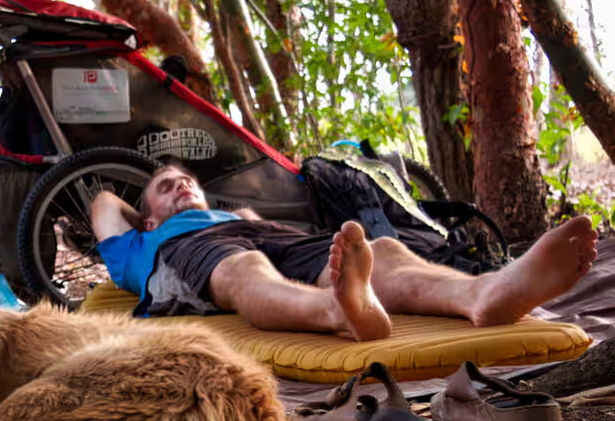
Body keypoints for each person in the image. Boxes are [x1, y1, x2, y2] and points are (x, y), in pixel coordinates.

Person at [90, 160, 598, 341]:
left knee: (381, 250)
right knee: (247, 268)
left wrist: (244, 219)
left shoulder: (235, 213)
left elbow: (259, 233)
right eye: (166, 186)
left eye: (188, 183)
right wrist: (148, 220)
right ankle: (335, 308)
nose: (182, 187)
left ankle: (483, 293)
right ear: (149, 214)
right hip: (192, 251)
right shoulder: (137, 243)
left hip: (265, 236)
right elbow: (103, 200)